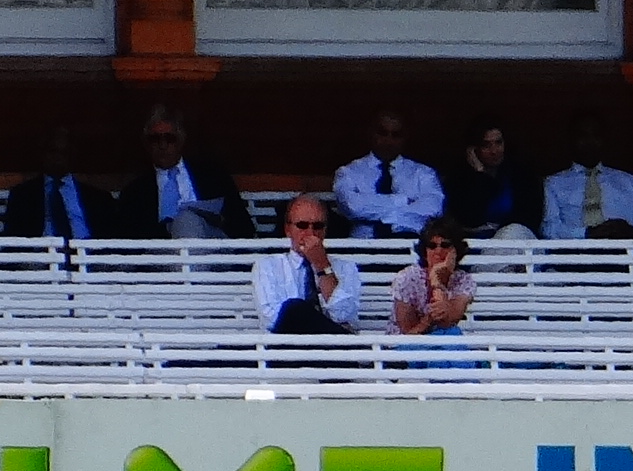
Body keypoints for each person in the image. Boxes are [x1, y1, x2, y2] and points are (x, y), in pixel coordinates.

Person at [112, 108, 253, 241]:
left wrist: (218, 219)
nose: (163, 145)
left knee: (187, 220)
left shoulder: (212, 176)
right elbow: (129, 237)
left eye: (169, 138)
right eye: (155, 139)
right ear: (147, 144)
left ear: (181, 140)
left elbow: (243, 226)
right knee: (183, 222)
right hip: (163, 252)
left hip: (213, 246)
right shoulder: (135, 191)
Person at [542, 115, 633, 243]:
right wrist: (588, 233)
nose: (590, 142)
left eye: (596, 136)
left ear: (605, 140)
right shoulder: (553, 184)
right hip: (576, 251)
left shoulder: (629, 182)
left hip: (625, 250)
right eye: (583, 136)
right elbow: (549, 228)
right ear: (571, 140)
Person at [253, 196, 361, 334]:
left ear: (325, 230)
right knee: (295, 308)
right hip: (286, 342)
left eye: (318, 226)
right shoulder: (268, 266)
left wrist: (322, 266)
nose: (311, 233)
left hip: (332, 344)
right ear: (288, 229)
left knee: (297, 309)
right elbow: (271, 319)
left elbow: (345, 316)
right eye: (302, 226)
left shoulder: (346, 268)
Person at [333, 113, 442, 239]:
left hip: (411, 243)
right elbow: (352, 207)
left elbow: (434, 209)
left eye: (396, 135)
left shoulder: (423, 173)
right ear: (371, 134)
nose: (388, 141)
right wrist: (404, 201)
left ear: (405, 138)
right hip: (362, 245)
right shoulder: (348, 172)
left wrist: (372, 209)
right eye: (382, 133)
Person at [3, 129, 98, 242]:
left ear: (73, 155)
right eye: (53, 151)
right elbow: (13, 237)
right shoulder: (22, 195)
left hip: (87, 250)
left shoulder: (97, 198)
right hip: (41, 250)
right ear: (42, 154)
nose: (58, 157)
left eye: (64, 152)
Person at [442, 123, 532, 242]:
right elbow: (468, 218)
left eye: (498, 143)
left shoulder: (520, 176)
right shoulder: (458, 179)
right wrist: (480, 175)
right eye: (486, 145)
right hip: (472, 243)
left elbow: (528, 218)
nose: (494, 151)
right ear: (473, 150)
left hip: (513, 241)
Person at [390, 219, 476, 337]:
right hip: (405, 342)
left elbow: (448, 321)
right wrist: (429, 320)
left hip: (444, 337)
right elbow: (408, 331)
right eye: (432, 246)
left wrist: (436, 279)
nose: (438, 251)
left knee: (453, 334)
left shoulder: (464, 280)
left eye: (445, 245)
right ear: (425, 252)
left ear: (456, 251)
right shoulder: (407, 278)